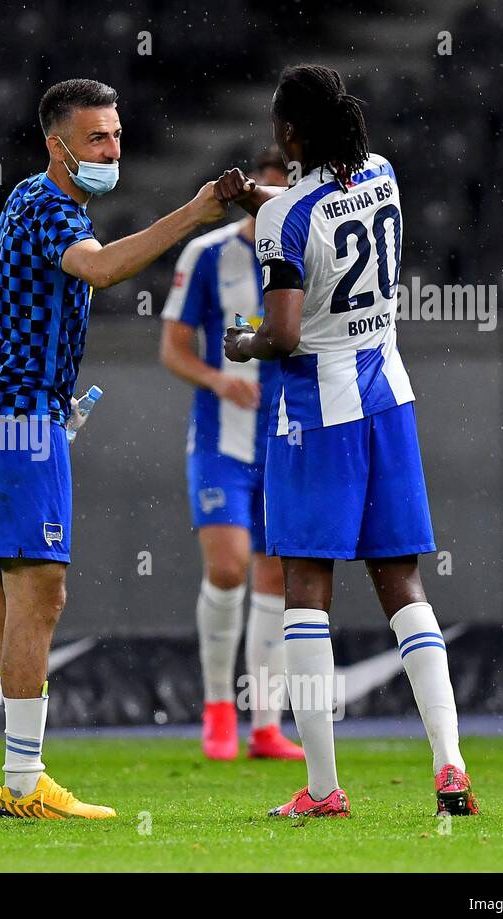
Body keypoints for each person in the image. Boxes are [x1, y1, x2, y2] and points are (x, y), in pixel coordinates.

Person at [0, 79, 227, 819]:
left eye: (117, 136)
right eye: (97, 139)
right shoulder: (45, 204)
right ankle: (25, 781)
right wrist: (195, 212)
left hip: (15, 414)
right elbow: (102, 268)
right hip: (15, 417)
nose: (112, 150)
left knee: (4, 592)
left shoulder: (43, 205)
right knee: (42, 590)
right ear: (56, 145)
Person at [217, 64, 477, 817]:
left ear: (290, 133)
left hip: (315, 410)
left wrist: (244, 344)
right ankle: (450, 764)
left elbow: (287, 331)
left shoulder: (282, 221)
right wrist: (255, 196)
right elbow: (324, 209)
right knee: (403, 585)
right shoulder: (384, 174)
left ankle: (324, 788)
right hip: (388, 394)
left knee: (306, 589)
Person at [160, 147, 303, 762]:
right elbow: (172, 348)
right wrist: (220, 380)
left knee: (276, 574)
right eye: (260, 197)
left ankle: (266, 725)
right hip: (221, 440)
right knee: (227, 567)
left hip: (287, 436)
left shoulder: (306, 250)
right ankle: (220, 706)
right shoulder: (208, 255)